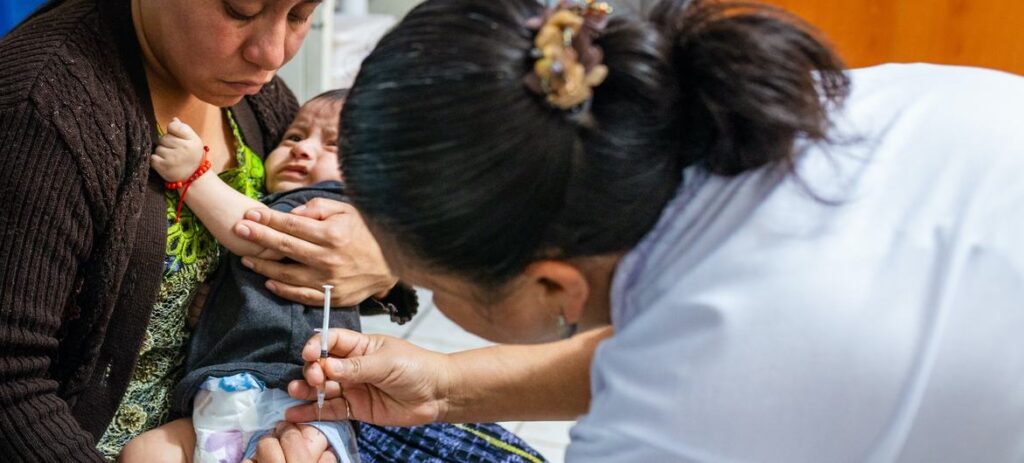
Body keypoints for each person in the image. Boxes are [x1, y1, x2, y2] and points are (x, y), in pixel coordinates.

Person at [282, 0, 1024, 461]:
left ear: (552, 284)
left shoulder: (684, 413)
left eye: (434, 287)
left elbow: (712, 361)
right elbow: (691, 336)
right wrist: (444, 386)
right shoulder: (806, 119)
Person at [0, 0, 537, 461]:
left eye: (302, 13)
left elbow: (326, 229)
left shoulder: (253, 97)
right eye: (240, 10)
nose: (273, 54)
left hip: (280, 407)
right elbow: (12, 386)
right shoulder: (42, 111)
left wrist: (379, 260)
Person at [120, 90, 367, 463]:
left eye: (334, 145)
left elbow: (261, 237)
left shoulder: (334, 205)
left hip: (297, 394)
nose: (302, 150)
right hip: (222, 390)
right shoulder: (269, 197)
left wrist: (194, 176)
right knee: (143, 452)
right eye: (294, 137)